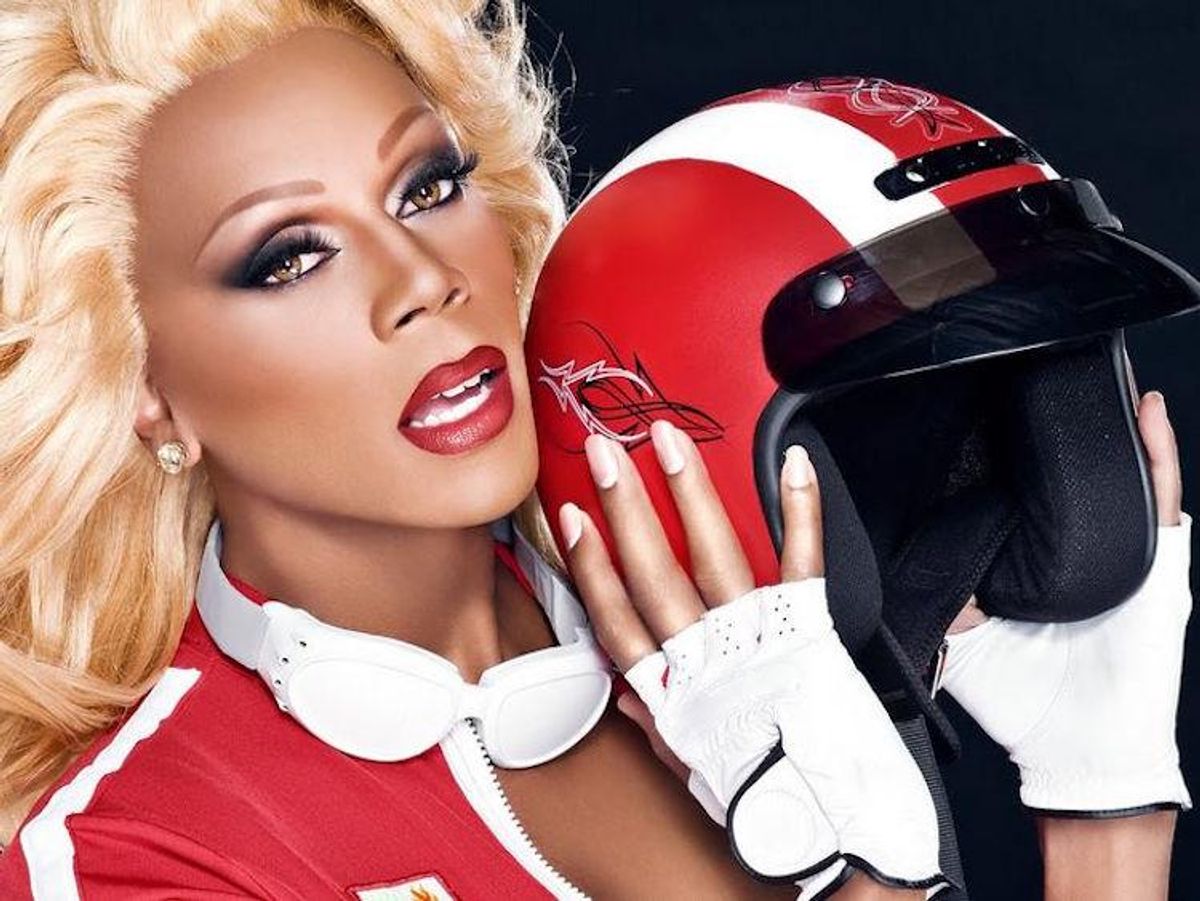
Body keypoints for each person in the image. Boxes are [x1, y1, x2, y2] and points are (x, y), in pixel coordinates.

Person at [0, 2, 1188, 899]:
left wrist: (1107, 813)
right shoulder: (131, 850)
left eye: (427, 187)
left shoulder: (752, 629)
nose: (424, 281)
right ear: (143, 383)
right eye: (288, 258)